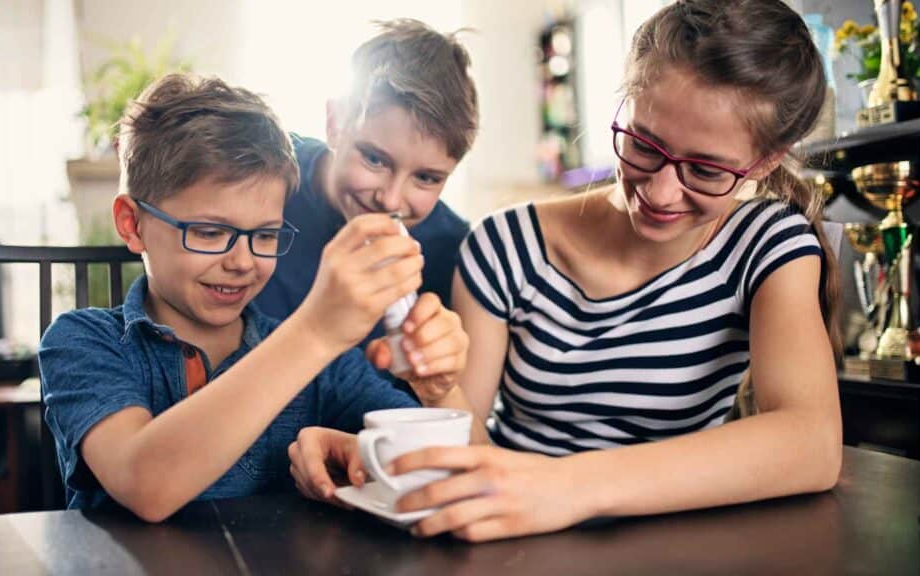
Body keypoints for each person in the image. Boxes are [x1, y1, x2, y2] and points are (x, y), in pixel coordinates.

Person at [291, 0, 843, 541]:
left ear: (767, 161)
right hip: (519, 538)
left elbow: (812, 443)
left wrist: (565, 488)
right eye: (644, 146)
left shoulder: (769, 243)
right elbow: (470, 453)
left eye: (704, 169)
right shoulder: (503, 245)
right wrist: (416, 411)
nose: (660, 190)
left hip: (669, 545)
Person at [38, 73, 476, 522]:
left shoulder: (317, 365)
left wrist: (439, 391)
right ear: (132, 224)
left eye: (265, 235)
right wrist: (317, 330)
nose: (243, 261)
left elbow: (469, 477)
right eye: (210, 232)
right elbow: (146, 484)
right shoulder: (82, 341)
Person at [255, 18, 479, 353]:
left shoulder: (453, 252)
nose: (390, 200)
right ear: (334, 124)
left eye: (426, 178)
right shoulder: (259, 178)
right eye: (374, 159)